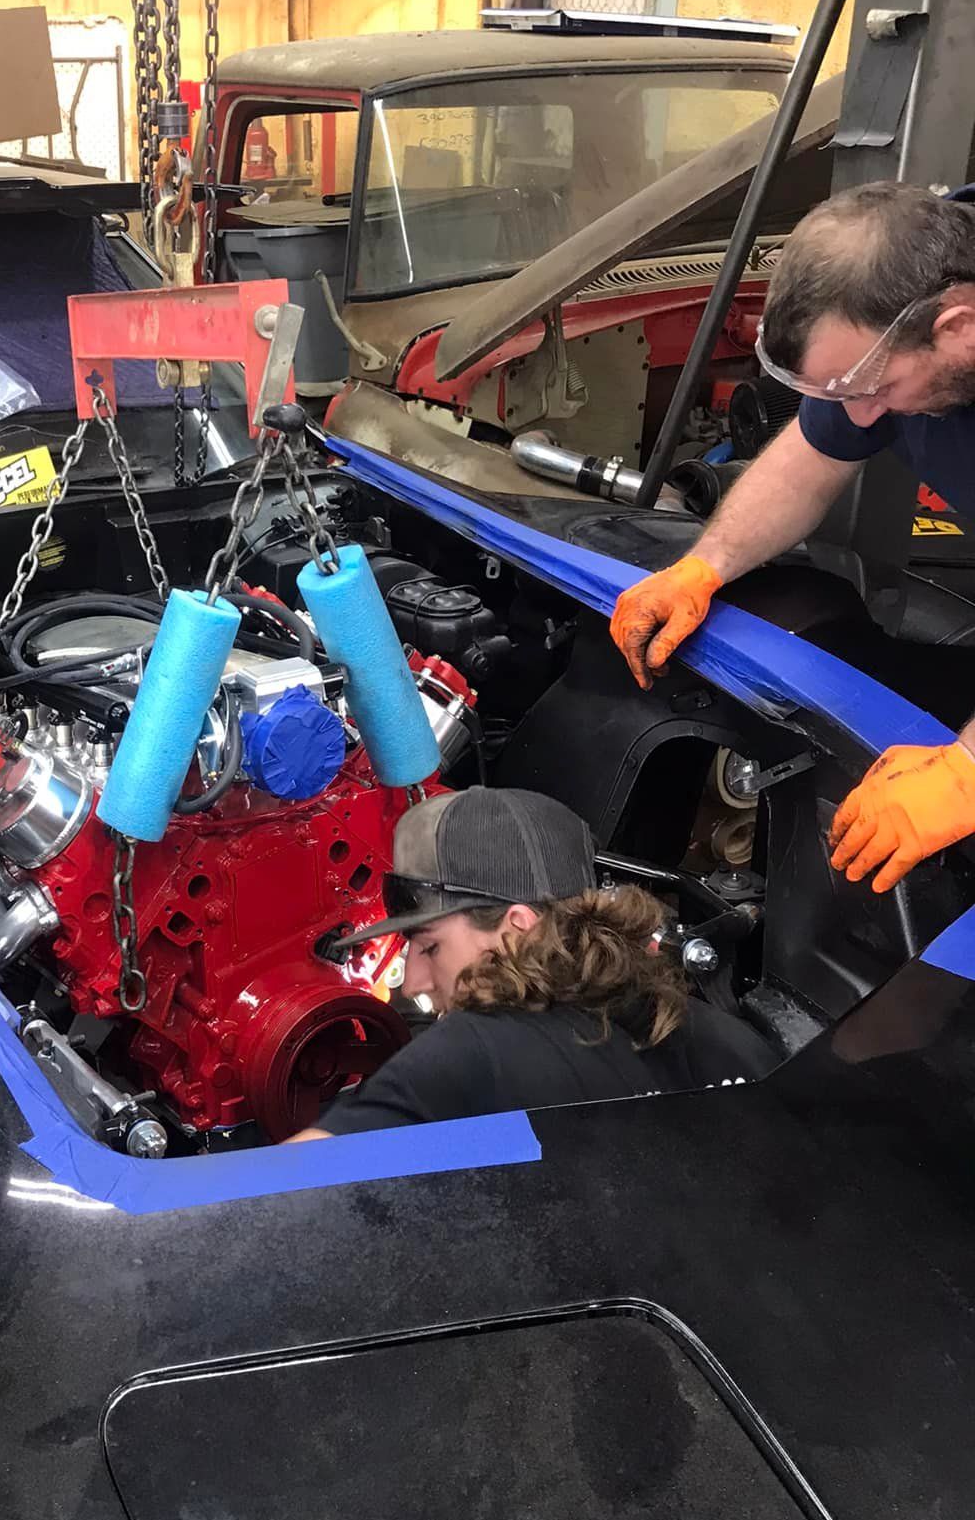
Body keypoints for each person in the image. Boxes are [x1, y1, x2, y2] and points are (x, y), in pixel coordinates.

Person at [610, 180, 975, 895]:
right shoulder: (897, 323)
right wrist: (703, 567)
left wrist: (966, 774)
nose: (864, 419)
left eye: (876, 388)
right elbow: (810, 461)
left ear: (959, 327)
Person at [290, 787, 775, 1140]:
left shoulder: (469, 1056)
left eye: (430, 946)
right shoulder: (725, 1042)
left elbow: (264, 1202)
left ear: (519, 925)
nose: (415, 980)